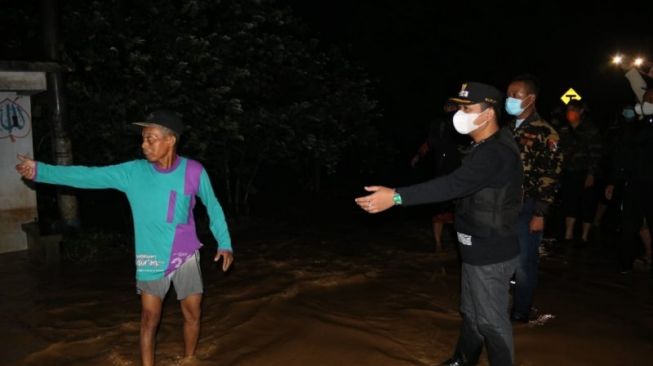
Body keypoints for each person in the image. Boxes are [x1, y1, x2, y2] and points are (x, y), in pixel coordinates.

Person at [15, 110, 234, 366]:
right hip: (151, 256)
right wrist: (40, 171)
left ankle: (189, 360)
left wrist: (225, 243)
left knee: (192, 314)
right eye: (143, 139)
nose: (143, 145)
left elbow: (213, 206)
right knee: (149, 319)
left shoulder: (194, 171)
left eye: (150, 139)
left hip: (185, 253)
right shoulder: (133, 172)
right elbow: (88, 175)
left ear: (170, 140)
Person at [356, 82, 522, 366]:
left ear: (488, 114)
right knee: (471, 313)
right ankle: (462, 360)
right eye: (459, 107)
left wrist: (396, 197)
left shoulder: (494, 153)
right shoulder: (486, 146)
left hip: (490, 253)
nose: (460, 113)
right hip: (476, 248)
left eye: (467, 108)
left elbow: (453, 185)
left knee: (491, 322)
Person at [504, 74, 562, 322]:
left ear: (531, 98)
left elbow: (551, 175)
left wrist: (540, 213)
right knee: (499, 261)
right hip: (500, 206)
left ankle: (521, 313)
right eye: (508, 95)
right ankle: (498, 307)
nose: (510, 100)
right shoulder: (503, 129)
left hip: (527, 207)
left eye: (515, 95)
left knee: (524, 264)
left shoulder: (547, 133)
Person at [605, 64, 653, 273]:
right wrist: (613, 181)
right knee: (629, 224)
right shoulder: (634, 126)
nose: (646, 101)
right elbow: (624, 153)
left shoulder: (643, 127)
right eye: (646, 98)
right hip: (635, 183)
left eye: (651, 99)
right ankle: (626, 264)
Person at [410, 100, 464, 251]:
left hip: (457, 171)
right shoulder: (437, 123)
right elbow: (428, 143)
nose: (449, 108)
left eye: (452, 106)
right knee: (438, 208)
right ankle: (438, 244)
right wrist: (418, 156)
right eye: (446, 106)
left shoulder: (463, 123)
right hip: (439, 170)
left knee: (458, 210)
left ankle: (459, 246)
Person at [557, 100, 602, 245]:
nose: (570, 112)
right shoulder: (564, 129)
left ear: (581, 111)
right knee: (570, 201)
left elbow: (596, 153)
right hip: (569, 171)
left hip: (585, 171)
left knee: (587, 203)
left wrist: (591, 174)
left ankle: (584, 236)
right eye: (568, 109)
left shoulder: (590, 129)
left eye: (573, 110)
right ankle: (568, 234)